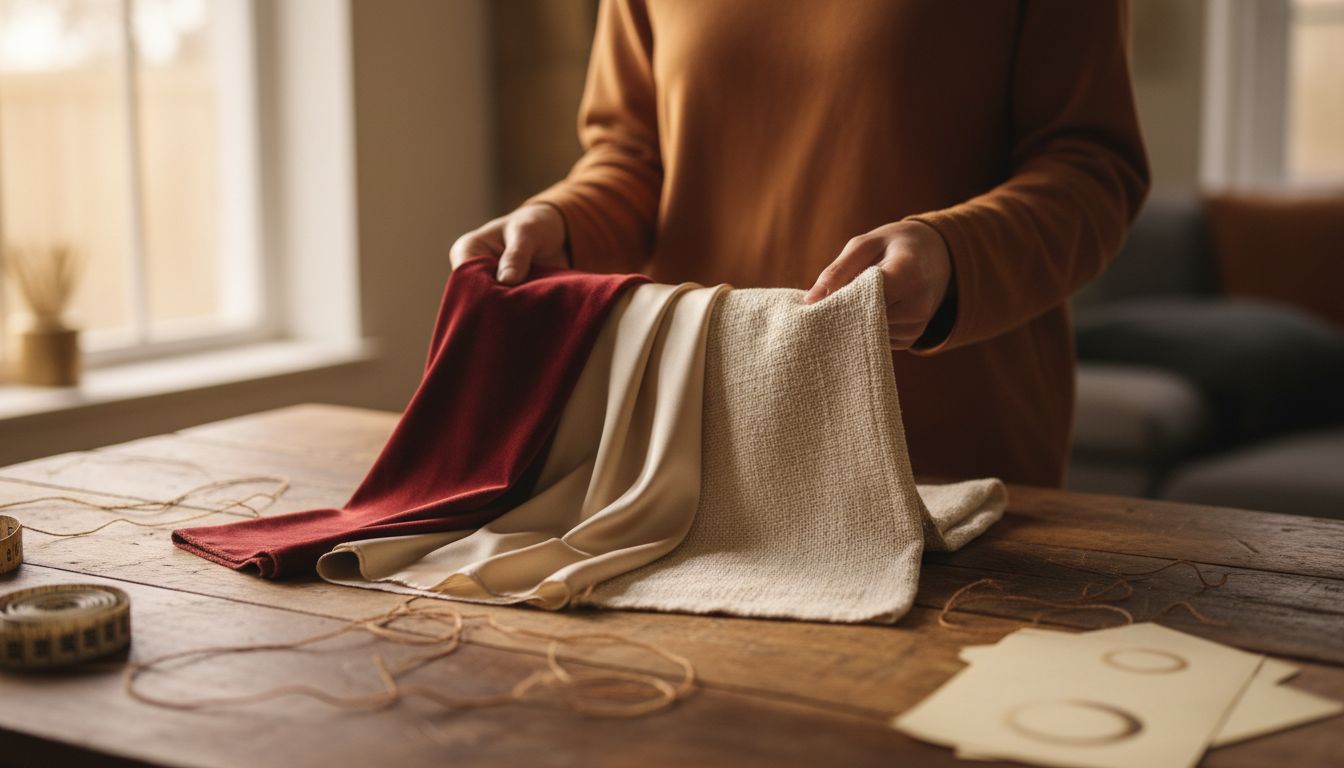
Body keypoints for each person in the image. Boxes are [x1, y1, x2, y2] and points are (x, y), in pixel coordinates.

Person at [450, 1, 1150, 487]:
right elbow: (634, 157)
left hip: (938, 452)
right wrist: (559, 221)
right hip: (697, 451)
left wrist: (953, 253)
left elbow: (1093, 169)